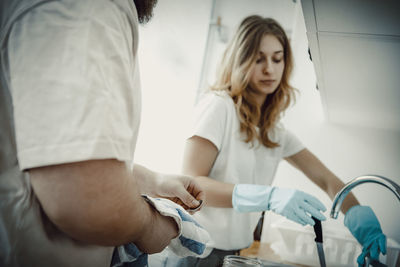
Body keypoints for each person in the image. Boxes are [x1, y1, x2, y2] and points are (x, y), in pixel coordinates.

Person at [164, 15, 386, 267]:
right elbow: (191, 185)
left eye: (277, 58)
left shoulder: (273, 132)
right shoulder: (219, 107)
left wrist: (364, 224)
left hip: (233, 251)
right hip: (196, 251)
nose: (269, 68)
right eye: (259, 59)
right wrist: (267, 197)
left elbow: (328, 181)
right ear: (241, 59)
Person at [0, 0, 207, 266]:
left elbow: (62, 154)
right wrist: (151, 226)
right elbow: (83, 196)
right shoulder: (90, 8)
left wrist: (154, 180)